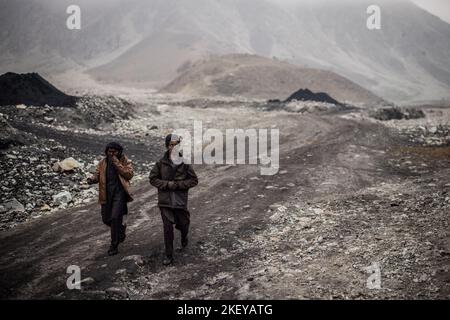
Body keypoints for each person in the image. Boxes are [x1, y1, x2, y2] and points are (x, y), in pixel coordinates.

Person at [149, 134, 198, 265]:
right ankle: (169, 255)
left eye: (176, 144)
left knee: (183, 224)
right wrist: (166, 184)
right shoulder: (160, 163)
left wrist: (179, 185)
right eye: (171, 144)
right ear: (167, 146)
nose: (174, 147)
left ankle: (184, 236)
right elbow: (153, 179)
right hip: (165, 201)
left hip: (180, 201)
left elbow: (194, 180)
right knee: (167, 228)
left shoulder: (185, 163)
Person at [87, 142, 134, 256]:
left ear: (119, 152)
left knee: (114, 218)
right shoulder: (103, 162)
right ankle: (121, 229)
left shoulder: (125, 161)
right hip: (106, 194)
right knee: (106, 219)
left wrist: (117, 164)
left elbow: (129, 174)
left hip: (119, 194)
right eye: (109, 151)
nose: (111, 154)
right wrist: (92, 179)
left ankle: (114, 245)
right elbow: (97, 174)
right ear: (106, 151)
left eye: (114, 152)